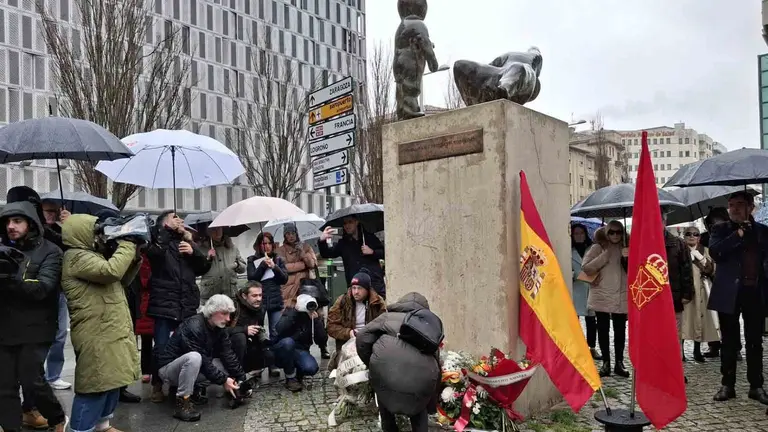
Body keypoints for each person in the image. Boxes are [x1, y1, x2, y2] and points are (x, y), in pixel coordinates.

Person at [61, 213, 144, 432]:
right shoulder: (76, 257)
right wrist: (127, 241)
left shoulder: (93, 255)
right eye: (95, 232)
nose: (100, 236)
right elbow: (111, 271)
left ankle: (103, 425)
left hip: (110, 327)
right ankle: (80, 429)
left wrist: (134, 255)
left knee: (111, 381)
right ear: (81, 233)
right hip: (95, 332)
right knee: (94, 386)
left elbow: (122, 279)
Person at [0, 200, 68, 432]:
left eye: (17, 221)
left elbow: (43, 289)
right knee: (5, 386)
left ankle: (56, 417)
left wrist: (10, 278)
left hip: (37, 327)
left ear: (30, 223)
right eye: (7, 221)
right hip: (5, 327)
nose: (11, 226)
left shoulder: (50, 251)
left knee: (32, 380)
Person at [708, 192, 768, 404]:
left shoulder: (762, 232)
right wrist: (737, 235)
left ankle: (756, 385)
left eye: (739, 205)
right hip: (728, 293)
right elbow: (715, 252)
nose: (734, 209)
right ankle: (728, 385)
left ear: (751, 207)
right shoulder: (720, 230)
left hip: (754, 291)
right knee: (729, 341)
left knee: (754, 341)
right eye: (731, 205)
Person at [146, 210, 211, 402]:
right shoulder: (157, 239)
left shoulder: (187, 241)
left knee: (187, 345)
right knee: (162, 347)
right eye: (174, 217)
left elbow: (203, 268)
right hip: (165, 304)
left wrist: (193, 251)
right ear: (164, 223)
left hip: (187, 304)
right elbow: (154, 254)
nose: (180, 220)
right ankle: (157, 384)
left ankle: (181, 385)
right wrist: (166, 231)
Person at [356, 293, 441, 432]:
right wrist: (431, 402)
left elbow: (362, 337)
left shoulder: (386, 317)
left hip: (385, 373)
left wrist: (370, 361)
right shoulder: (428, 327)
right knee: (419, 407)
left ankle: (389, 427)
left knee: (384, 393)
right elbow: (436, 363)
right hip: (420, 379)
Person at [156, 295, 246, 422]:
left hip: (192, 367)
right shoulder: (194, 326)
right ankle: (183, 403)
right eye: (224, 313)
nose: (228, 318)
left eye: (229, 314)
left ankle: (232, 389)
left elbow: (227, 354)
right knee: (194, 357)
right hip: (169, 369)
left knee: (222, 364)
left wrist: (241, 378)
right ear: (212, 312)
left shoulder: (219, 327)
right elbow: (203, 361)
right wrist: (223, 380)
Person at [581, 223, 629, 378]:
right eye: (612, 232)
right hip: (601, 294)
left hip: (621, 294)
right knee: (602, 330)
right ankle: (606, 362)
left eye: (619, 232)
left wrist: (628, 258)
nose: (615, 235)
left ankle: (619, 362)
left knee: (620, 331)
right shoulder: (597, 248)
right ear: (606, 233)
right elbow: (586, 268)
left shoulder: (627, 246)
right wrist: (604, 256)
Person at [326, 271, 386, 370]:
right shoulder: (342, 301)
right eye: (354, 288)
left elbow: (384, 325)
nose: (356, 292)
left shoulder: (377, 302)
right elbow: (331, 327)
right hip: (347, 343)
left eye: (360, 288)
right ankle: (337, 358)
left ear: (367, 289)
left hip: (369, 342)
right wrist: (349, 333)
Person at [318, 216, 386, 298]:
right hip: (355, 286)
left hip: (374, 284)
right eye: (345, 223)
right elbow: (327, 254)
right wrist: (322, 241)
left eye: (350, 222)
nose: (347, 225)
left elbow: (385, 253)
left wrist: (372, 252)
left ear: (356, 222)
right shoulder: (343, 243)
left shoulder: (369, 238)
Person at [272, 292, 325, 392]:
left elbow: (321, 340)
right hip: (283, 349)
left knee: (311, 368)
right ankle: (290, 377)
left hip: (301, 349)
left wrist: (317, 321)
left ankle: (298, 373)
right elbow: (279, 329)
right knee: (288, 343)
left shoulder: (313, 317)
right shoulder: (289, 312)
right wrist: (295, 311)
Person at [680, 226, 719, 363]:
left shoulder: (705, 250)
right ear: (684, 236)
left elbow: (712, 270)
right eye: (688, 234)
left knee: (699, 320)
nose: (692, 236)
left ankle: (697, 351)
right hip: (685, 291)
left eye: (695, 234)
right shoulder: (680, 250)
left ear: (699, 237)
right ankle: (681, 352)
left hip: (701, 291)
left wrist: (701, 259)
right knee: (683, 322)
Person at [661, 213, 694, 374]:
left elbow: (686, 270)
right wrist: (626, 258)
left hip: (673, 298)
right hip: (652, 300)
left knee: (674, 337)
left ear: (664, 221)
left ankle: (675, 371)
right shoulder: (642, 243)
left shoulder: (678, 244)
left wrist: (687, 293)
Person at [246, 232, 288, 342]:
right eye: (264, 243)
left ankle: (275, 355)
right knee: (258, 332)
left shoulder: (278, 259)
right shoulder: (252, 259)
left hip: (275, 299)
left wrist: (274, 267)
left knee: (276, 330)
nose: (267, 246)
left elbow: (284, 279)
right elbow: (252, 279)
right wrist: (263, 266)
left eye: (269, 243)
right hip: (259, 300)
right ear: (259, 245)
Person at [701, 206, 729, 359]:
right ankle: (714, 345)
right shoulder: (705, 238)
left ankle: (733, 346)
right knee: (712, 315)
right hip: (711, 281)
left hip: (728, 280)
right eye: (712, 224)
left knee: (729, 316)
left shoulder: (730, 235)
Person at [229, 282, 274, 375]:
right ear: (244, 296)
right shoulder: (232, 306)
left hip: (250, 344)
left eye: (260, 295)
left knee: (271, 355)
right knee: (240, 338)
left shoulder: (260, 308)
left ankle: (251, 370)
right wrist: (244, 330)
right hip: (230, 345)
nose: (258, 299)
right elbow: (220, 331)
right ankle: (236, 375)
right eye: (254, 296)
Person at [570, 223, 600, 360]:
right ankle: (575, 346)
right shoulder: (569, 250)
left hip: (590, 288)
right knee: (574, 319)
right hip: (576, 288)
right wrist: (571, 275)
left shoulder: (592, 249)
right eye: (576, 233)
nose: (579, 236)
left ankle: (592, 347)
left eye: (581, 233)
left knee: (591, 320)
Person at [198, 226, 246, 304]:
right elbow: (197, 270)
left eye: (219, 228)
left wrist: (236, 265)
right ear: (208, 231)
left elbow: (243, 268)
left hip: (230, 294)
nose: (217, 231)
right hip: (210, 295)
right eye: (214, 229)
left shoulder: (232, 248)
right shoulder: (202, 249)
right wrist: (207, 258)